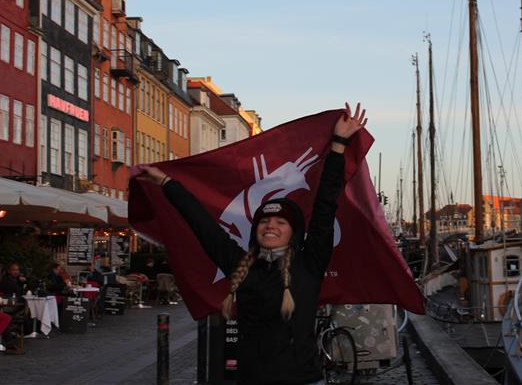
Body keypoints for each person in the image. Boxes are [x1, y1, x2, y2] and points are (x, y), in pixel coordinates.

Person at [134, 103, 367, 385]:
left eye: (281, 223)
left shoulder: (310, 263)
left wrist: (339, 144)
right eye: (265, 223)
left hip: (303, 380)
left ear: (293, 234)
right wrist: (168, 183)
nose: (271, 226)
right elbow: (204, 226)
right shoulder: (240, 266)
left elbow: (325, 207)